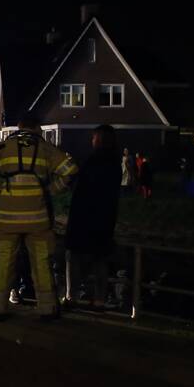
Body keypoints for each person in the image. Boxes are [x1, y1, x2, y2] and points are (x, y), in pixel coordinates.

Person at [0, 111, 77, 321]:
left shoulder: (2, 147)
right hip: (38, 219)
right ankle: (47, 308)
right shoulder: (46, 149)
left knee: (4, 262)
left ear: (19, 126)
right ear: (37, 127)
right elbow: (70, 170)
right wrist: (51, 190)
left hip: (7, 219)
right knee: (41, 263)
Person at [64, 126, 122, 311]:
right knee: (100, 259)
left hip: (83, 217)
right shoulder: (115, 163)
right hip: (105, 218)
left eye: (94, 138)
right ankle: (99, 299)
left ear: (98, 140)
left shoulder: (91, 161)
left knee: (74, 256)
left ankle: (71, 296)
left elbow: (80, 188)